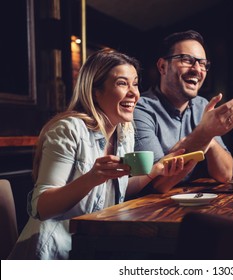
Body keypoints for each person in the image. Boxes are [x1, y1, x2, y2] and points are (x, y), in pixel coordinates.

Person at [9, 49, 184, 260]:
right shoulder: (68, 129)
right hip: (53, 253)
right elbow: (41, 207)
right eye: (122, 83)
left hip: (91, 248)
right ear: (95, 91)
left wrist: (156, 170)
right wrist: (92, 178)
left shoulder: (124, 131)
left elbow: (117, 189)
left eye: (135, 83)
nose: (134, 93)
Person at [133, 30, 233, 193]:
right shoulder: (140, 108)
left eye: (203, 64)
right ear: (162, 66)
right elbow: (157, 183)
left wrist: (209, 139)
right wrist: (204, 134)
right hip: (147, 209)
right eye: (187, 60)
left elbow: (226, 174)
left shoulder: (202, 105)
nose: (197, 69)